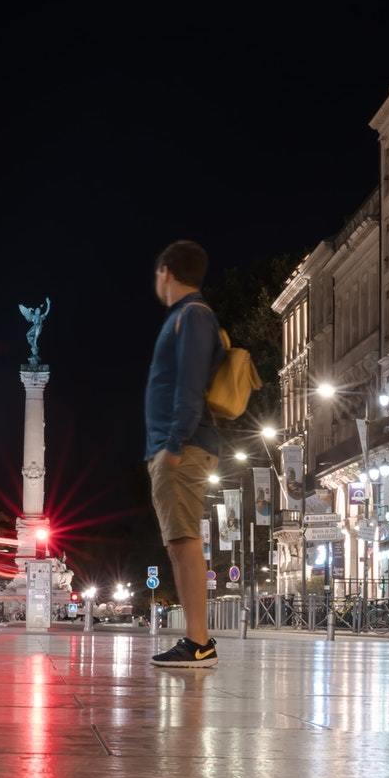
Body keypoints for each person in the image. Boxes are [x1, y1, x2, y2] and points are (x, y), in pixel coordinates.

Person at [147, 240, 225, 668]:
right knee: (179, 541)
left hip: (183, 446)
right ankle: (197, 640)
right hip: (177, 444)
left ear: (166, 272)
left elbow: (189, 386)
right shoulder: (187, 317)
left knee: (184, 539)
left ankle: (199, 641)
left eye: (157, 275)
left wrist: (173, 446)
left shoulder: (192, 316)